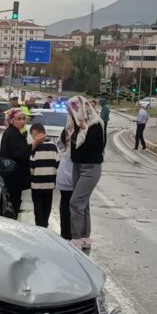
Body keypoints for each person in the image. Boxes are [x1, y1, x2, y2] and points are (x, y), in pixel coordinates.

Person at [66, 96, 105, 253]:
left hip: (91, 167)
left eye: (71, 109)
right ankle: (85, 237)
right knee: (83, 203)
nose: (69, 112)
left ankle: (75, 238)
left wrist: (81, 130)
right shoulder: (73, 124)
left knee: (75, 203)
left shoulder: (95, 125)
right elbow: (67, 142)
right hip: (77, 165)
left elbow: (96, 147)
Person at [0, 107, 31, 217]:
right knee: (12, 207)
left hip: (13, 179)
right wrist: (34, 145)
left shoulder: (15, 132)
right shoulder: (12, 134)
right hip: (12, 179)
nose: (22, 122)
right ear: (12, 120)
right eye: (19, 119)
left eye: (24, 119)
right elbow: (20, 153)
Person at [29, 122, 58, 228]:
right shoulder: (54, 146)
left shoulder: (35, 147)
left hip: (37, 184)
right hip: (49, 184)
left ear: (35, 133)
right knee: (47, 206)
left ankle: (39, 226)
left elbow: (31, 167)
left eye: (32, 135)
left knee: (38, 207)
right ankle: (45, 224)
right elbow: (57, 164)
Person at [56, 128, 74, 241]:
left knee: (65, 206)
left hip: (63, 179)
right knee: (71, 207)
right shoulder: (72, 151)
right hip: (71, 180)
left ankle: (65, 234)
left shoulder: (62, 149)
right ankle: (69, 234)